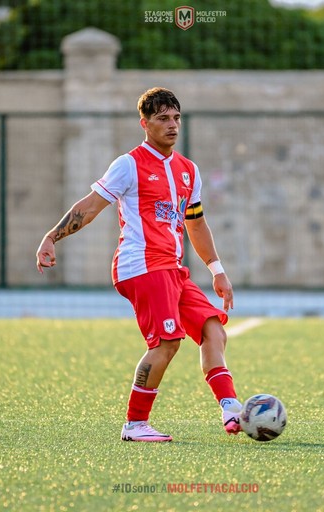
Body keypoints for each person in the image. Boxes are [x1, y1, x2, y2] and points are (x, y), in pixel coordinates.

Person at [36, 87, 242, 442]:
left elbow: (195, 223)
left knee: (213, 329)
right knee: (166, 343)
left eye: (176, 118)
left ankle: (231, 408)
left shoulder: (188, 171)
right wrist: (52, 237)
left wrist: (217, 269)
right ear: (144, 124)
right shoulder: (128, 164)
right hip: (142, 266)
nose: (172, 125)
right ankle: (134, 424)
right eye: (163, 118)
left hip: (173, 269)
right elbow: (91, 205)